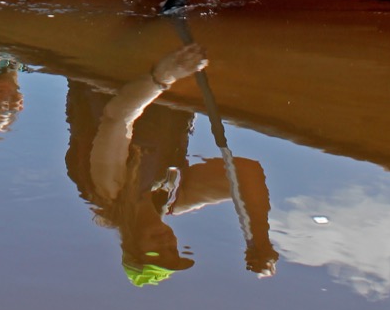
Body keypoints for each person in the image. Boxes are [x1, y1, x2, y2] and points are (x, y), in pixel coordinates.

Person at [65, 42, 278, 286]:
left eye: (156, 252)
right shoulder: (173, 197)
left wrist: (166, 74)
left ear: (131, 245)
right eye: (173, 252)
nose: (166, 244)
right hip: (170, 69)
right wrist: (260, 239)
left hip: (112, 64)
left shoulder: (109, 190)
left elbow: (117, 116)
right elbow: (247, 174)